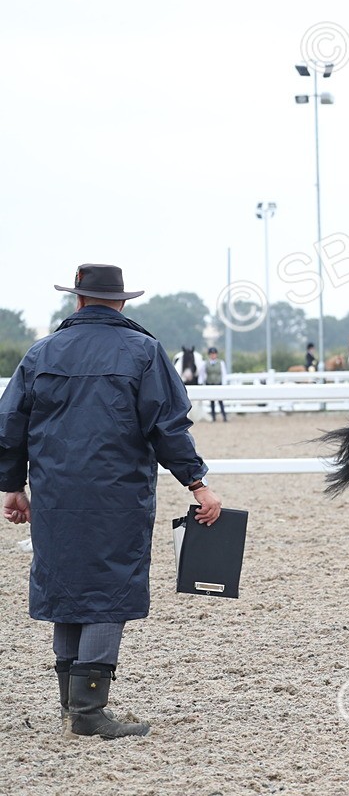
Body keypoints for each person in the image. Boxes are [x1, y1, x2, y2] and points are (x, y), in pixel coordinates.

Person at [0, 264, 222, 739]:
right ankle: (89, 713)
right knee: (108, 589)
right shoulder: (143, 351)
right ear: (121, 302)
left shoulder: (41, 352)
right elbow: (167, 426)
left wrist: (13, 486)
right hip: (117, 493)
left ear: (77, 301)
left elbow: (10, 424)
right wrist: (197, 483)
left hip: (56, 494)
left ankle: (70, 705)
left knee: (65, 588)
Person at [203, 346, 228, 422]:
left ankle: (224, 416)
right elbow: (203, 374)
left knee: (220, 401)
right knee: (212, 401)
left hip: (218, 383)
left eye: (214, 354)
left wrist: (224, 383)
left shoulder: (221, 363)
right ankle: (213, 417)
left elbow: (223, 373)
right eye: (211, 354)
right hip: (210, 383)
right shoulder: (206, 363)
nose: (213, 355)